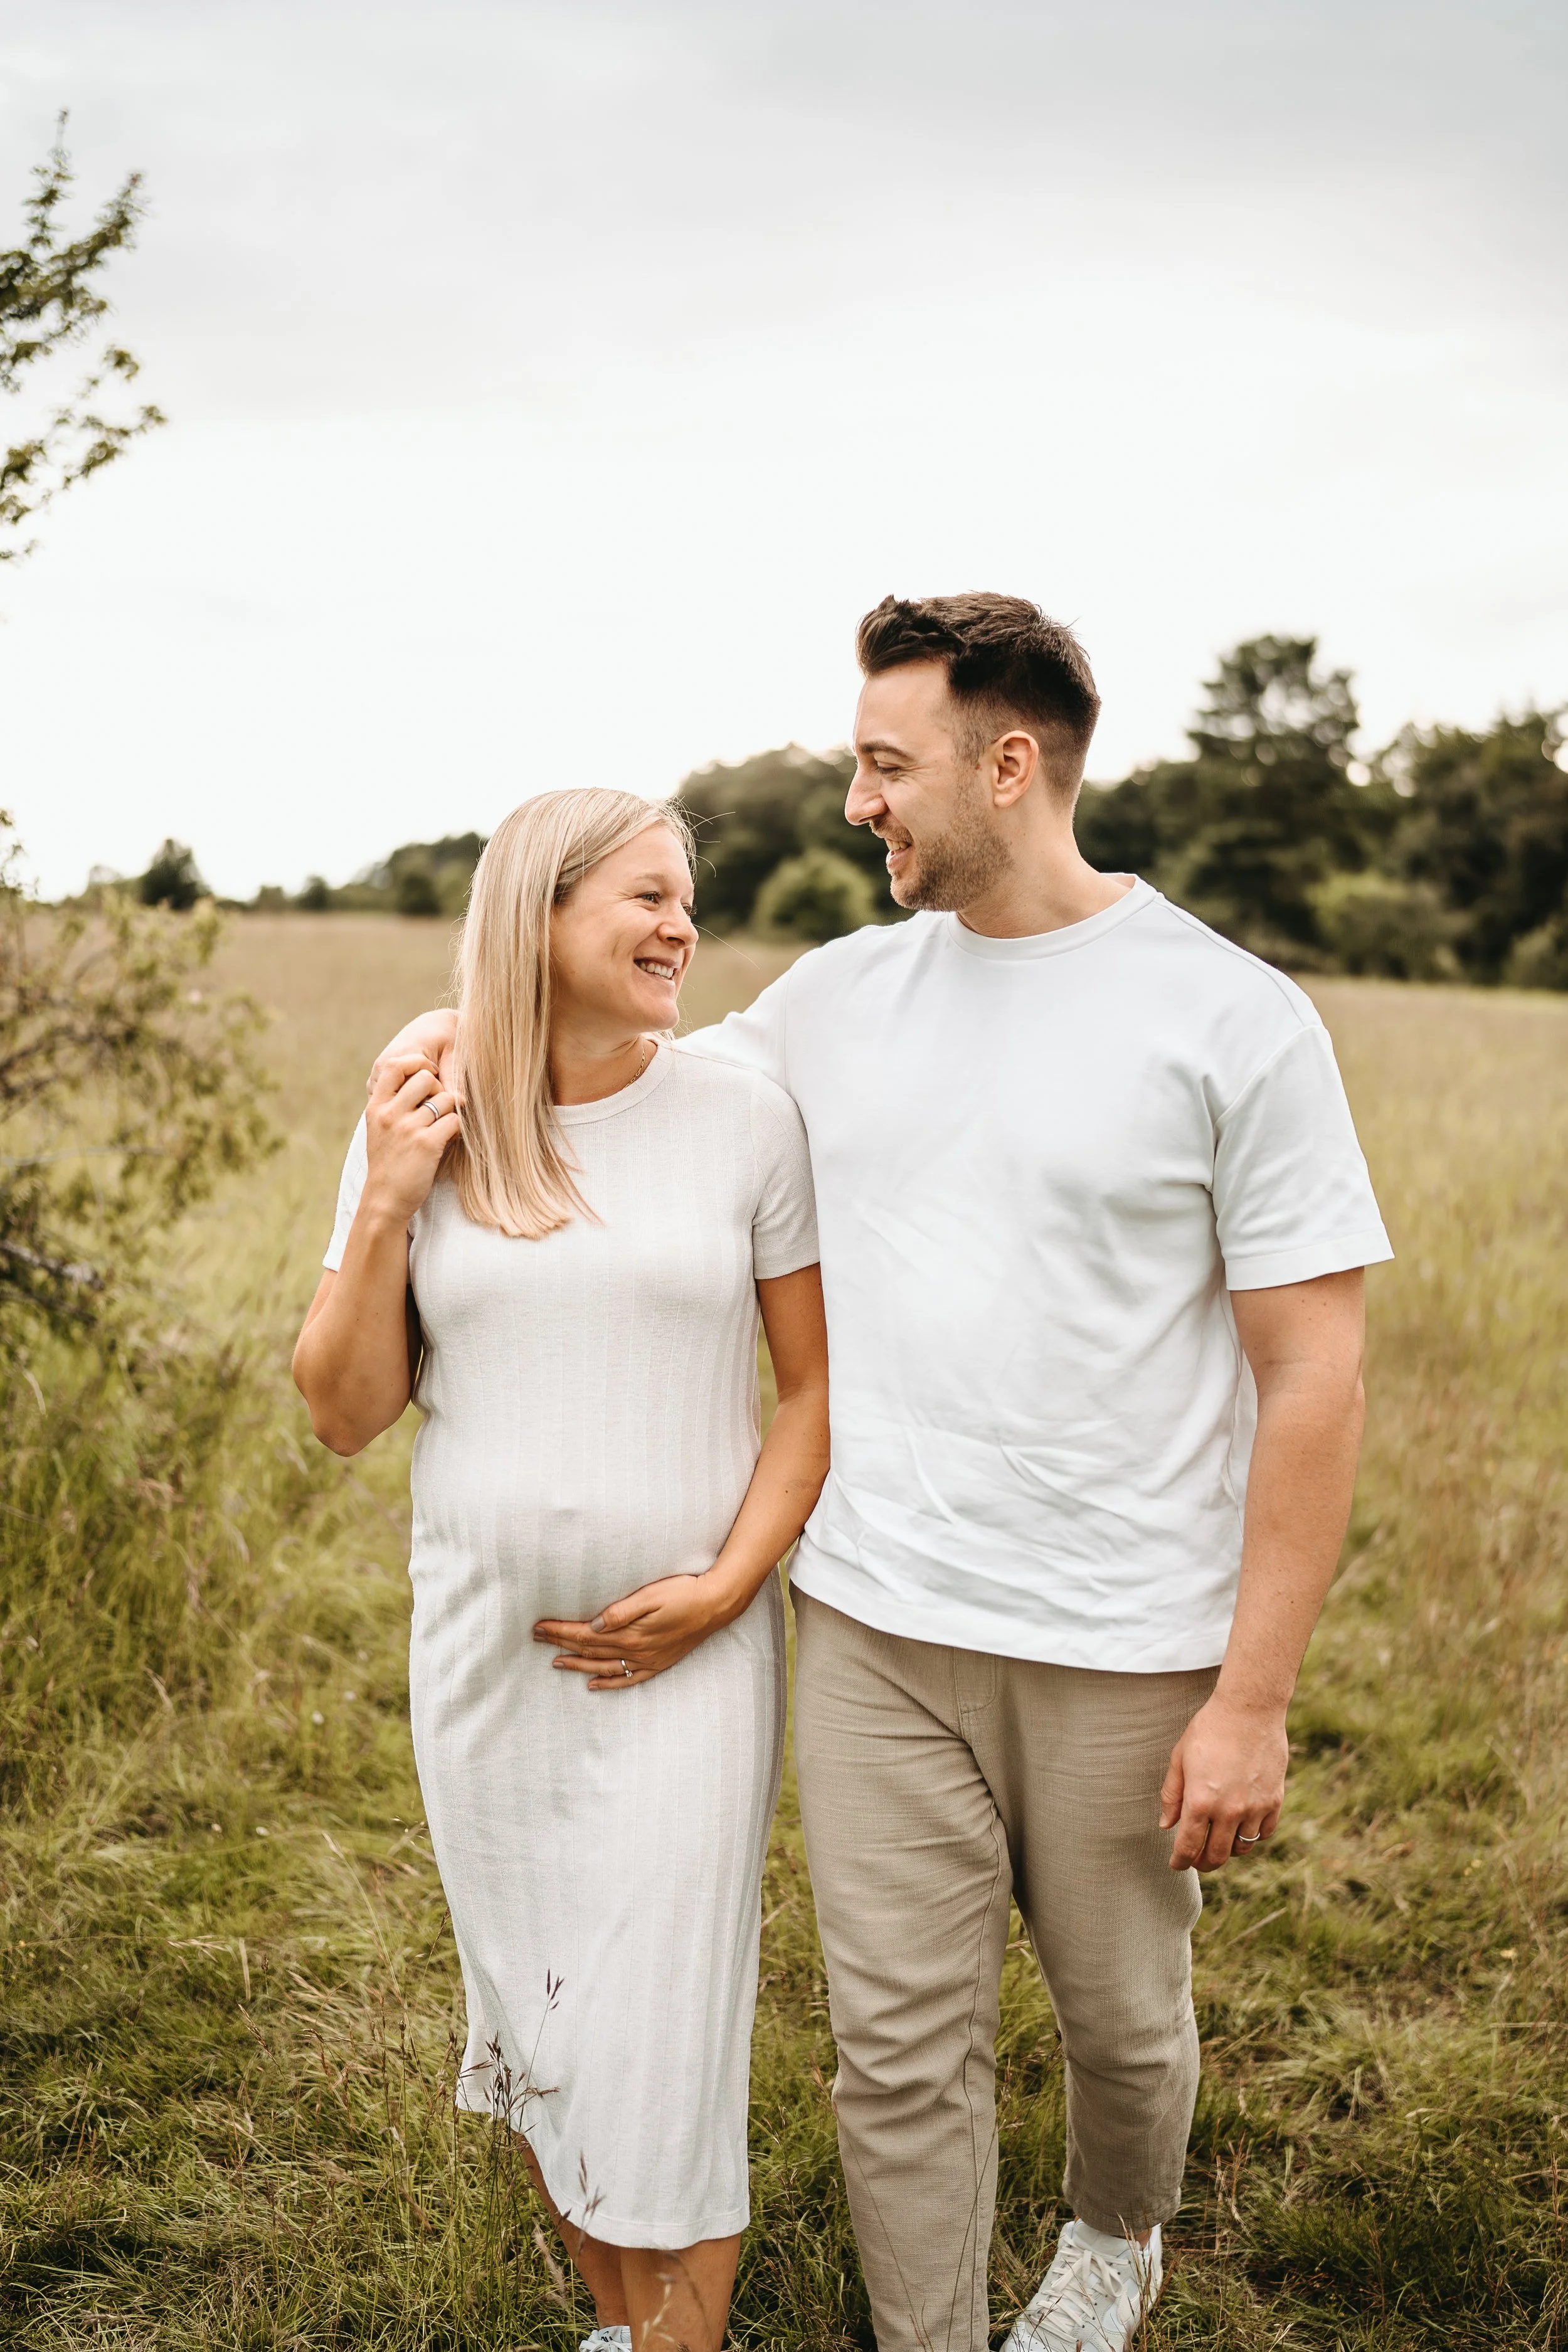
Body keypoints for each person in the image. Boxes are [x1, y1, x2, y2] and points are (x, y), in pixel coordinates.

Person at [377, 595, 1392, 2352]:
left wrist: (1253, 1692)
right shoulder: (838, 997)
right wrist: (445, 1042)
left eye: (882, 763)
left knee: (1119, 2011)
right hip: (869, 1618)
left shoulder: (1233, 1019)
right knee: (895, 2040)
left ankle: (1109, 2233)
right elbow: (630, 1067)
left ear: (1009, 765)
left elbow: (1312, 1368)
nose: (859, 799)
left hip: (1123, 1632)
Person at [295, 788, 829, 2352]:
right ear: (536, 915)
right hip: (486, 1658)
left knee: (664, 2033)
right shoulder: (424, 1101)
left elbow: (807, 1396)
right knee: (541, 2015)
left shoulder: (743, 1118)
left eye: (687, 897)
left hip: (689, 1662)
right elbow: (341, 1411)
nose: (683, 926)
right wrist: (393, 1191)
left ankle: (682, 2336)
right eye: (644, 898)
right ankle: (623, 2322)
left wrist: (726, 1587)